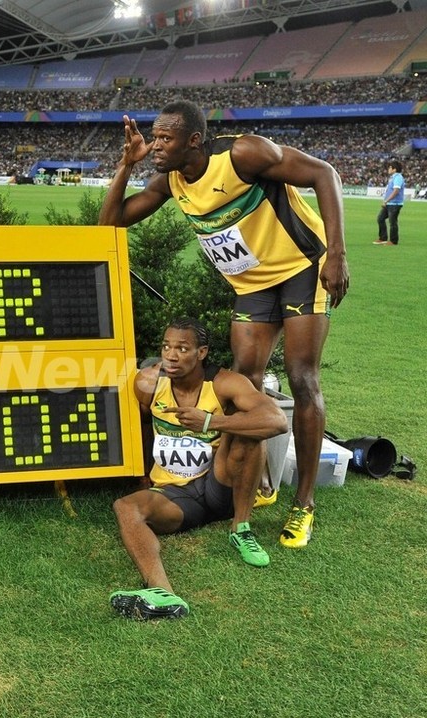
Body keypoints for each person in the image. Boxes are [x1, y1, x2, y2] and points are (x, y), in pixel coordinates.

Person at [98, 100, 349, 549]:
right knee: (241, 382)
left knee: (302, 378)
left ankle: (304, 504)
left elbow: (323, 174)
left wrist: (338, 254)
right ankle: (257, 481)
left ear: (193, 140)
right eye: (153, 137)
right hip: (252, 284)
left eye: (164, 138)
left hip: (301, 269)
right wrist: (124, 165)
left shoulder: (242, 155)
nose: (155, 145)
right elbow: (110, 223)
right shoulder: (171, 180)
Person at [110, 319, 288, 620]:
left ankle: (241, 529)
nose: (171, 355)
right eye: (166, 347)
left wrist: (209, 422)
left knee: (251, 433)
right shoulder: (148, 383)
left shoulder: (225, 383)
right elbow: (138, 428)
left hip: (219, 486)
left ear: (201, 352)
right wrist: (142, 478)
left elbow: (277, 421)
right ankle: (163, 594)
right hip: (175, 495)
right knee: (126, 508)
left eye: (182, 348)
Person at [374, 160, 404, 245]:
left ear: (394, 169)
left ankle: (393, 241)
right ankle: (383, 238)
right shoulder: (393, 177)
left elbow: (396, 190)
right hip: (390, 203)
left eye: (390, 167)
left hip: (394, 204)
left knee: (392, 222)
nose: (388, 169)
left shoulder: (398, 177)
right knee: (380, 218)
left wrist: (387, 200)